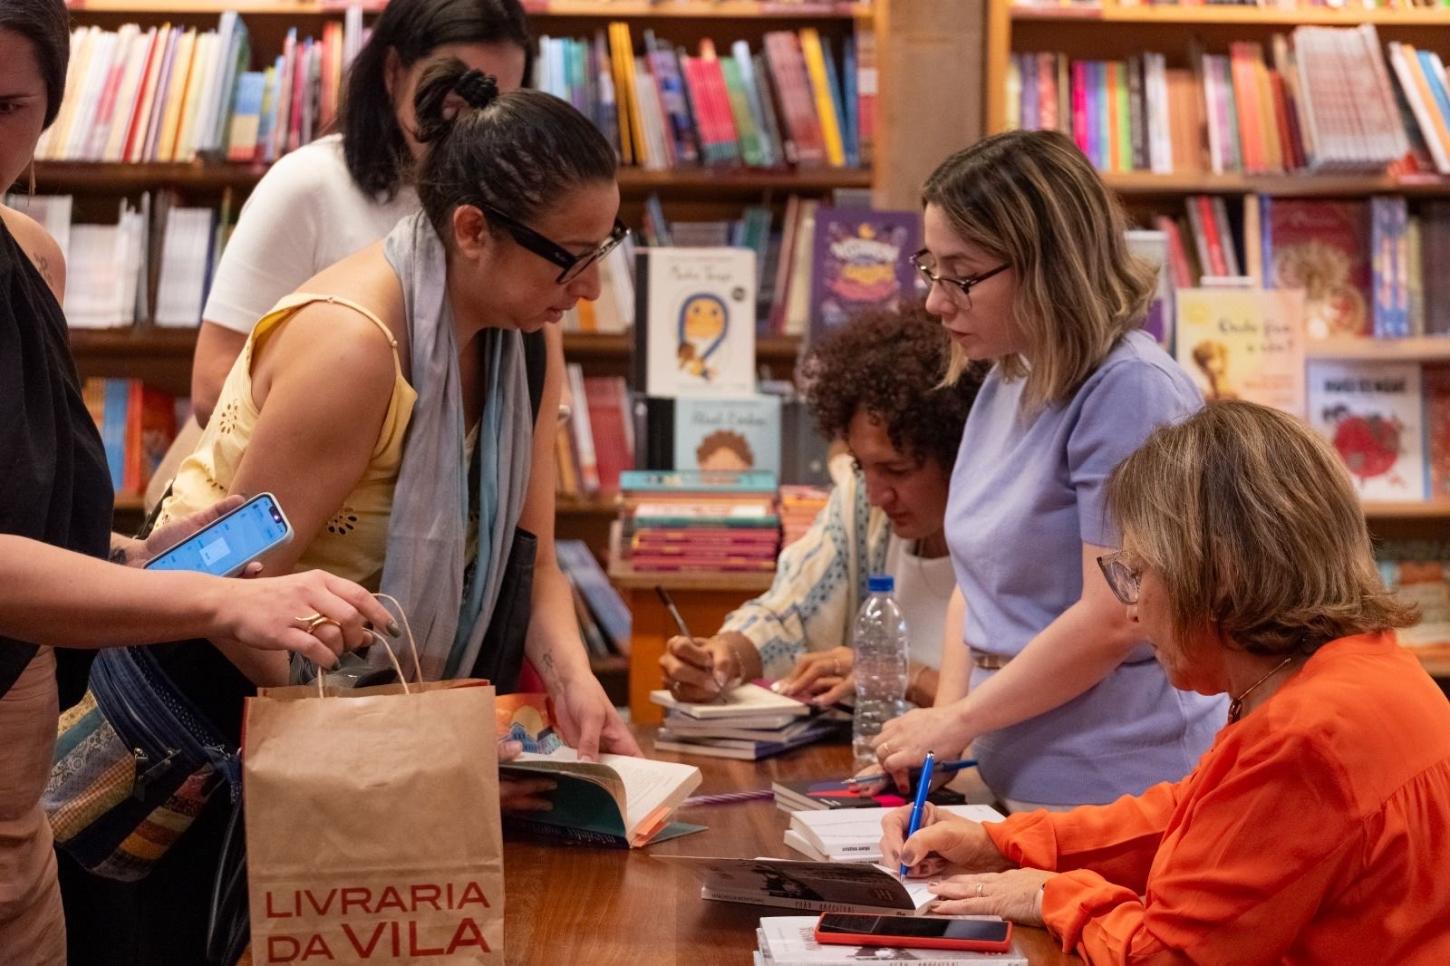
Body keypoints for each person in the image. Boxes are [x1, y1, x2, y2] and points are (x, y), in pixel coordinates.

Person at [62, 62, 637, 966]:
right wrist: (406, 748)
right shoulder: (353, 347)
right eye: (574, 257)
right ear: (473, 230)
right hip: (199, 731)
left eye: (607, 249)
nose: (591, 286)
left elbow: (535, 555)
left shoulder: (530, 334)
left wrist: (572, 680)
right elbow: (231, 584)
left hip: (340, 719)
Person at [0, 4, 396, 962]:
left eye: (8, 104)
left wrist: (138, 556)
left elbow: (33, 520)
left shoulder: (29, 259)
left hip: (18, 778)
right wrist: (203, 607)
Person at [881, 401, 1450, 963]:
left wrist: (1048, 892)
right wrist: (1000, 844)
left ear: (1215, 573)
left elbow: (1167, 956)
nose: (1131, 613)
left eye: (1139, 573)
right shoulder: (1358, 667)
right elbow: (1197, 816)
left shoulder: (1307, 737)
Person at [873, 130, 1225, 811]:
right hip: (1017, 775)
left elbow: (1115, 615)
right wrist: (940, 736)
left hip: (1114, 787)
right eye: (930, 268)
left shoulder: (1132, 391)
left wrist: (958, 723)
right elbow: (976, 588)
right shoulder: (1010, 375)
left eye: (962, 274)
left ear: (1049, 265)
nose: (935, 302)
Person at [189, 0, 531, 424]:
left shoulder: (510, 206)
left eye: (495, 109)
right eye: (452, 103)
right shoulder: (309, 184)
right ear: (392, 72)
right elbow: (211, 387)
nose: (470, 132)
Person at [660, 305, 982, 709]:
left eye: (896, 470)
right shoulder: (860, 508)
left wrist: (899, 675)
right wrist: (722, 657)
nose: (875, 495)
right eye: (862, 467)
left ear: (959, 454)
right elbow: (788, 613)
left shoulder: (1015, 538)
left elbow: (1018, 707)